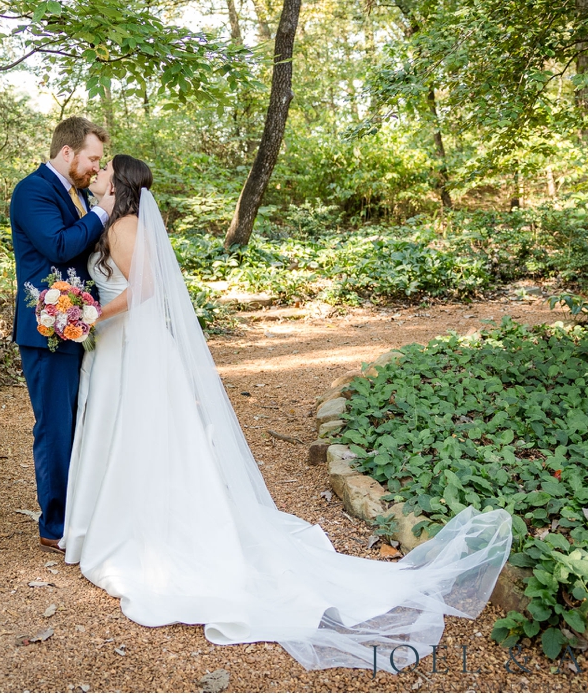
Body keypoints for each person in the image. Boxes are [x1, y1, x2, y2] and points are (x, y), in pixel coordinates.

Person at [61, 153, 513, 673]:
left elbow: (144, 290)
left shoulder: (125, 226)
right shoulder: (116, 226)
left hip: (133, 347)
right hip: (125, 348)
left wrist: (91, 312)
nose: (95, 178)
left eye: (103, 173)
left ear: (120, 184)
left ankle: (143, 533)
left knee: (140, 436)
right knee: (133, 436)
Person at [8, 116, 114, 553]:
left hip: (80, 324)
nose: (95, 167)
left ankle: (80, 511)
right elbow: (58, 246)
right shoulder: (32, 191)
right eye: (92, 158)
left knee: (82, 421)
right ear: (67, 152)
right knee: (54, 426)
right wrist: (104, 212)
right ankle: (55, 525)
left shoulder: (77, 192)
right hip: (45, 328)